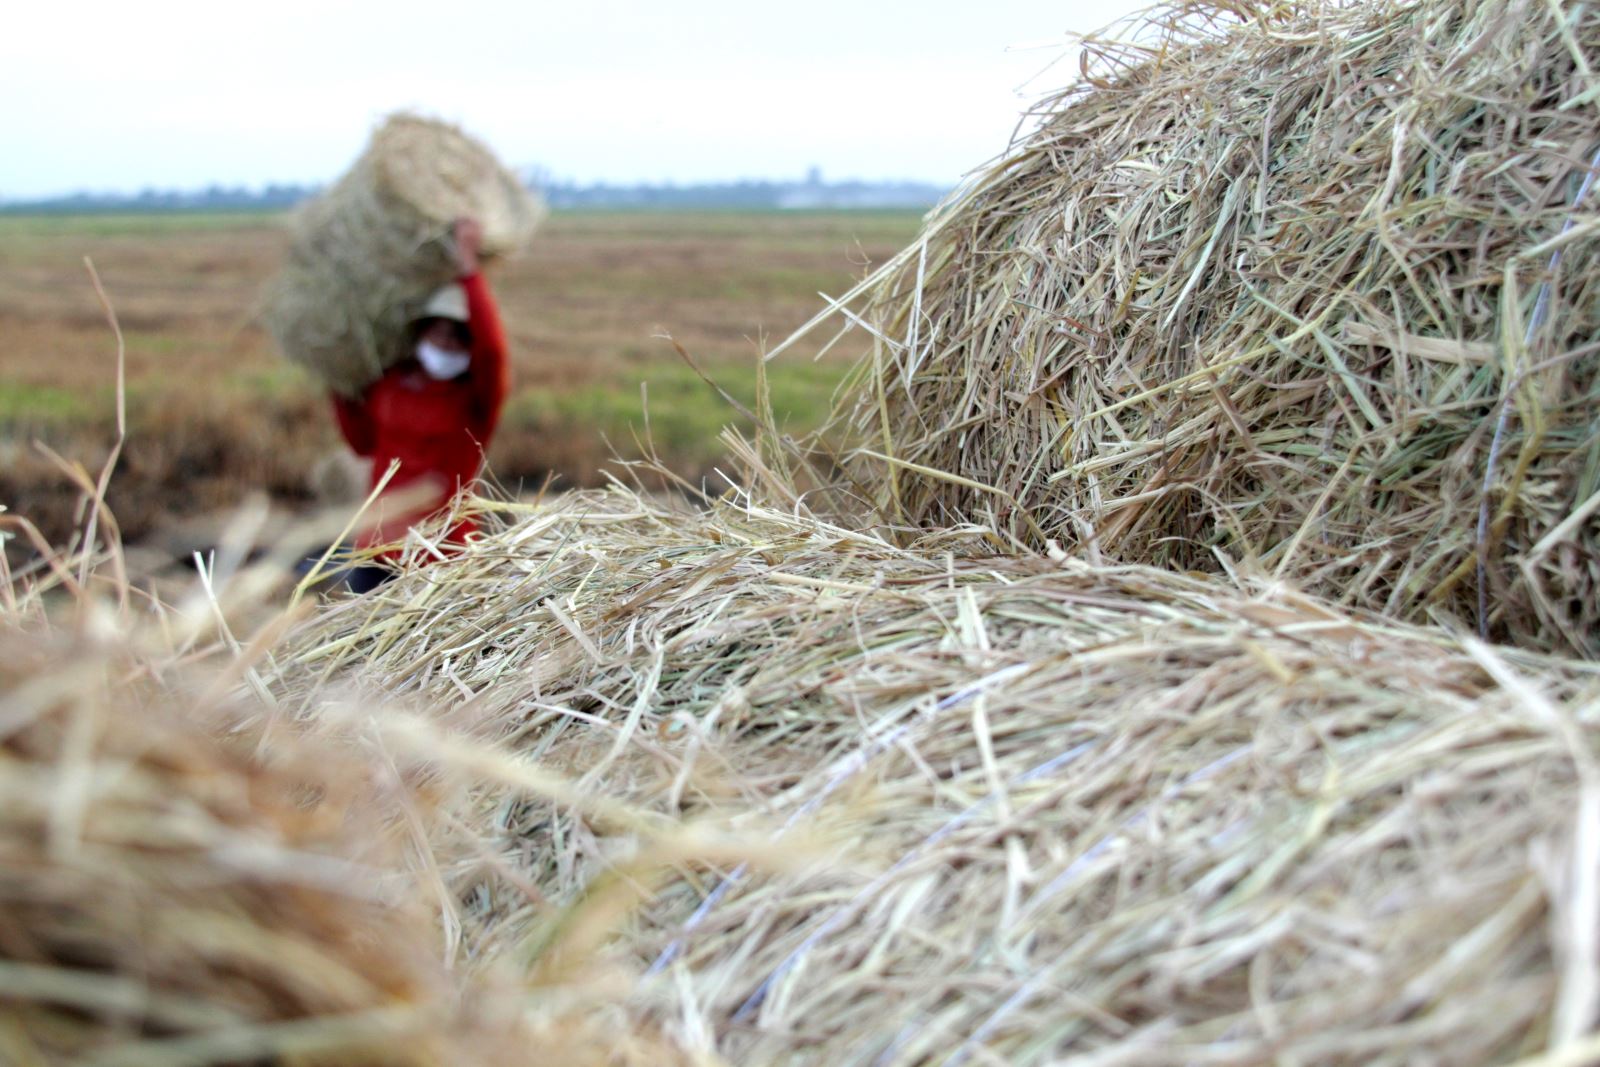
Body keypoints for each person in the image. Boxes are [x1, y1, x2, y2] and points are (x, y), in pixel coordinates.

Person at [331, 217, 509, 593]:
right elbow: (361, 443)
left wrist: (468, 269)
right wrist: (337, 382)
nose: (446, 341)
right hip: (378, 551)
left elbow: (492, 353)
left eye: (459, 335)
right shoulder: (392, 383)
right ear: (421, 330)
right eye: (438, 329)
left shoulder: (474, 401)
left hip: (443, 555)